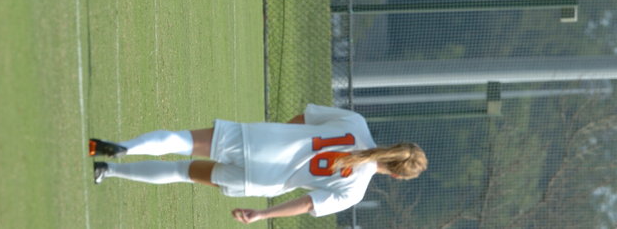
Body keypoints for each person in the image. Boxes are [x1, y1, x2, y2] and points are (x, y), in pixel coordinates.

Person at [89, 104, 427, 224]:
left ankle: (124, 148)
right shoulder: (355, 191)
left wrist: (278, 138)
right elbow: (305, 203)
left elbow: (303, 118)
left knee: (183, 140)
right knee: (182, 172)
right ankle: (109, 171)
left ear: (395, 147)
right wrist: (262, 214)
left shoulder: (355, 123)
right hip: (262, 180)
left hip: (262, 142)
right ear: (397, 176)